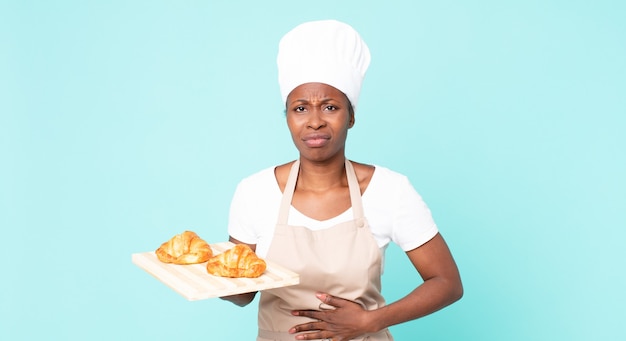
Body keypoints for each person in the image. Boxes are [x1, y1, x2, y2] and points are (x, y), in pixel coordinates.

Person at [223, 20, 463, 341]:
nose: (315, 121)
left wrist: (370, 321)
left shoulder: (389, 190)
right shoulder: (254, 192)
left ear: (350, 116)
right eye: (300, 108)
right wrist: (207, 277)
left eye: (330, 107)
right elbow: (242, 294)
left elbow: (447, 282)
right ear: (288, 118)